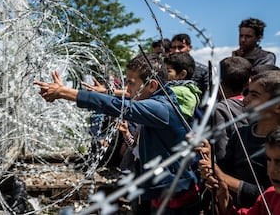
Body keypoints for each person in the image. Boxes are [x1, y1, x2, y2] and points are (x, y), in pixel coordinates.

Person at [34, 53, 199, 214]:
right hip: (162, 192)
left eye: (131, 83)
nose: (127, 89)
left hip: (178, 198)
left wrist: (64, 92)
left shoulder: (161, 108)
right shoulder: (157, 102)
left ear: (152, 86)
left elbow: (117, 106)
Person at [197, 70, 280, 208]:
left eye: (254, 95)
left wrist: (223, 178)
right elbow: (223, 170)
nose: (245, 100)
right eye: (247, 92)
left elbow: (271, 195)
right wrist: (209, 161)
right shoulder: (241, 133)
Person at [201, 126, 280, 214]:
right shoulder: (270, 197)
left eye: (279, 162)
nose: (272, 170)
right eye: (268, 160)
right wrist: (223, 197)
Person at [212, 56, 252, 162]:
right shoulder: (255, 104)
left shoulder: (220, 109)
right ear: (248, 82)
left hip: (231, 172)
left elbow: (221, 150)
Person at [164, 52, 202, 122]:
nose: (164, 73)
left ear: (182, 74)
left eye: (168, 71)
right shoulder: (188, 89)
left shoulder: (178, 92)